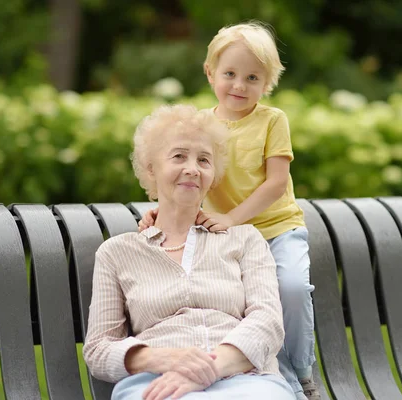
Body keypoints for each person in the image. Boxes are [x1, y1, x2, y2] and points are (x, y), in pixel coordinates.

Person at [139, 22, 319, 400]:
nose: (239, 85)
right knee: (235, 304)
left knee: (291, 288)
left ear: (267, 81)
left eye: (252, 77)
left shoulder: (272, 121)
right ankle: (265, 375)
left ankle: (301, 373)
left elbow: (274, 184)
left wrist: (230, 218)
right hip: (230, 241)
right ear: (210, 73)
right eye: (230, 74)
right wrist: (160, 212)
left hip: (275, 230)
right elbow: (188, 180)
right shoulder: (203, 126)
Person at [83, 104, 295, 400]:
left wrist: (208, 368)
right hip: (159, 383)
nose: (193, 169)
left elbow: (268, 323)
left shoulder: (245, 240)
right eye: (179, 156)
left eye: (204, 160)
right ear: (151, 168)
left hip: (247, 379)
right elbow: (99, 348)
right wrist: (166, 359)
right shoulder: (117, 252)